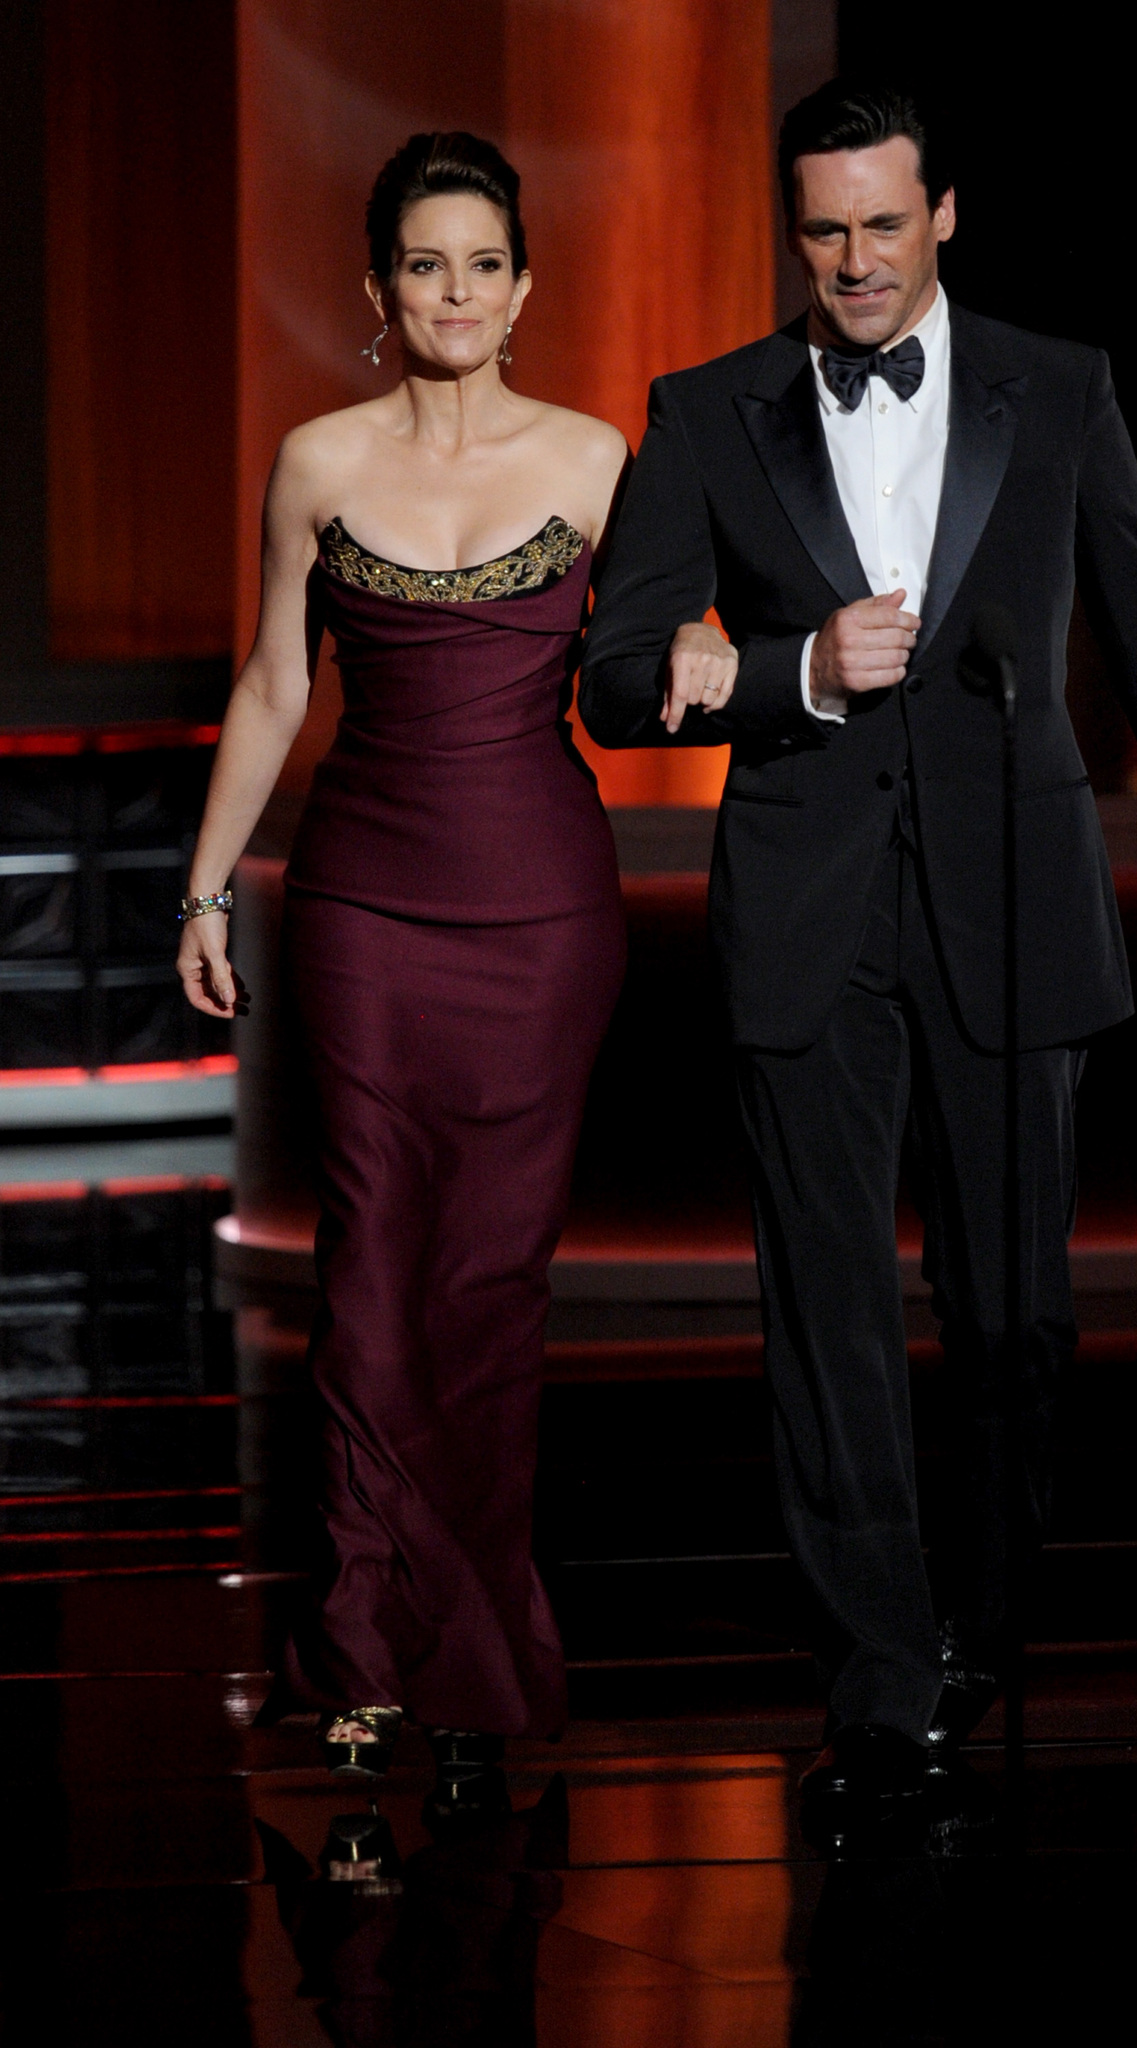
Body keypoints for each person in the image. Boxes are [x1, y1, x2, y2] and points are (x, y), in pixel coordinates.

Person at [579, 80, 1137, 1826]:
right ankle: (881, 1673)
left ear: (946, 215)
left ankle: (982, 1612)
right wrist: (799, 672)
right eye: (822, 228)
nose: (851, 259)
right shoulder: (704, 411)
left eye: (883, 225)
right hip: (807, 919)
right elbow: (614, 677)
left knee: (1016, 1318)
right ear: (792, 227)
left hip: (1014, 899)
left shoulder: (1058, 388)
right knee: (828, 1318)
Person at [178, 132, 629, 1791]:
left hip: (542, 921)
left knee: (490, 1286)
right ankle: (364, 1647)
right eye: (425, 265)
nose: (457, 292)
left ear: (526, 286)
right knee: (369, 1274)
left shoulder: (602, 460)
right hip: (364, 913)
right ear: (381, 290)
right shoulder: (313, 458)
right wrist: (207, 892)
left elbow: (655, 660)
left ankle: (476, 1649)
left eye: (485, 263)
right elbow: (273, 689)